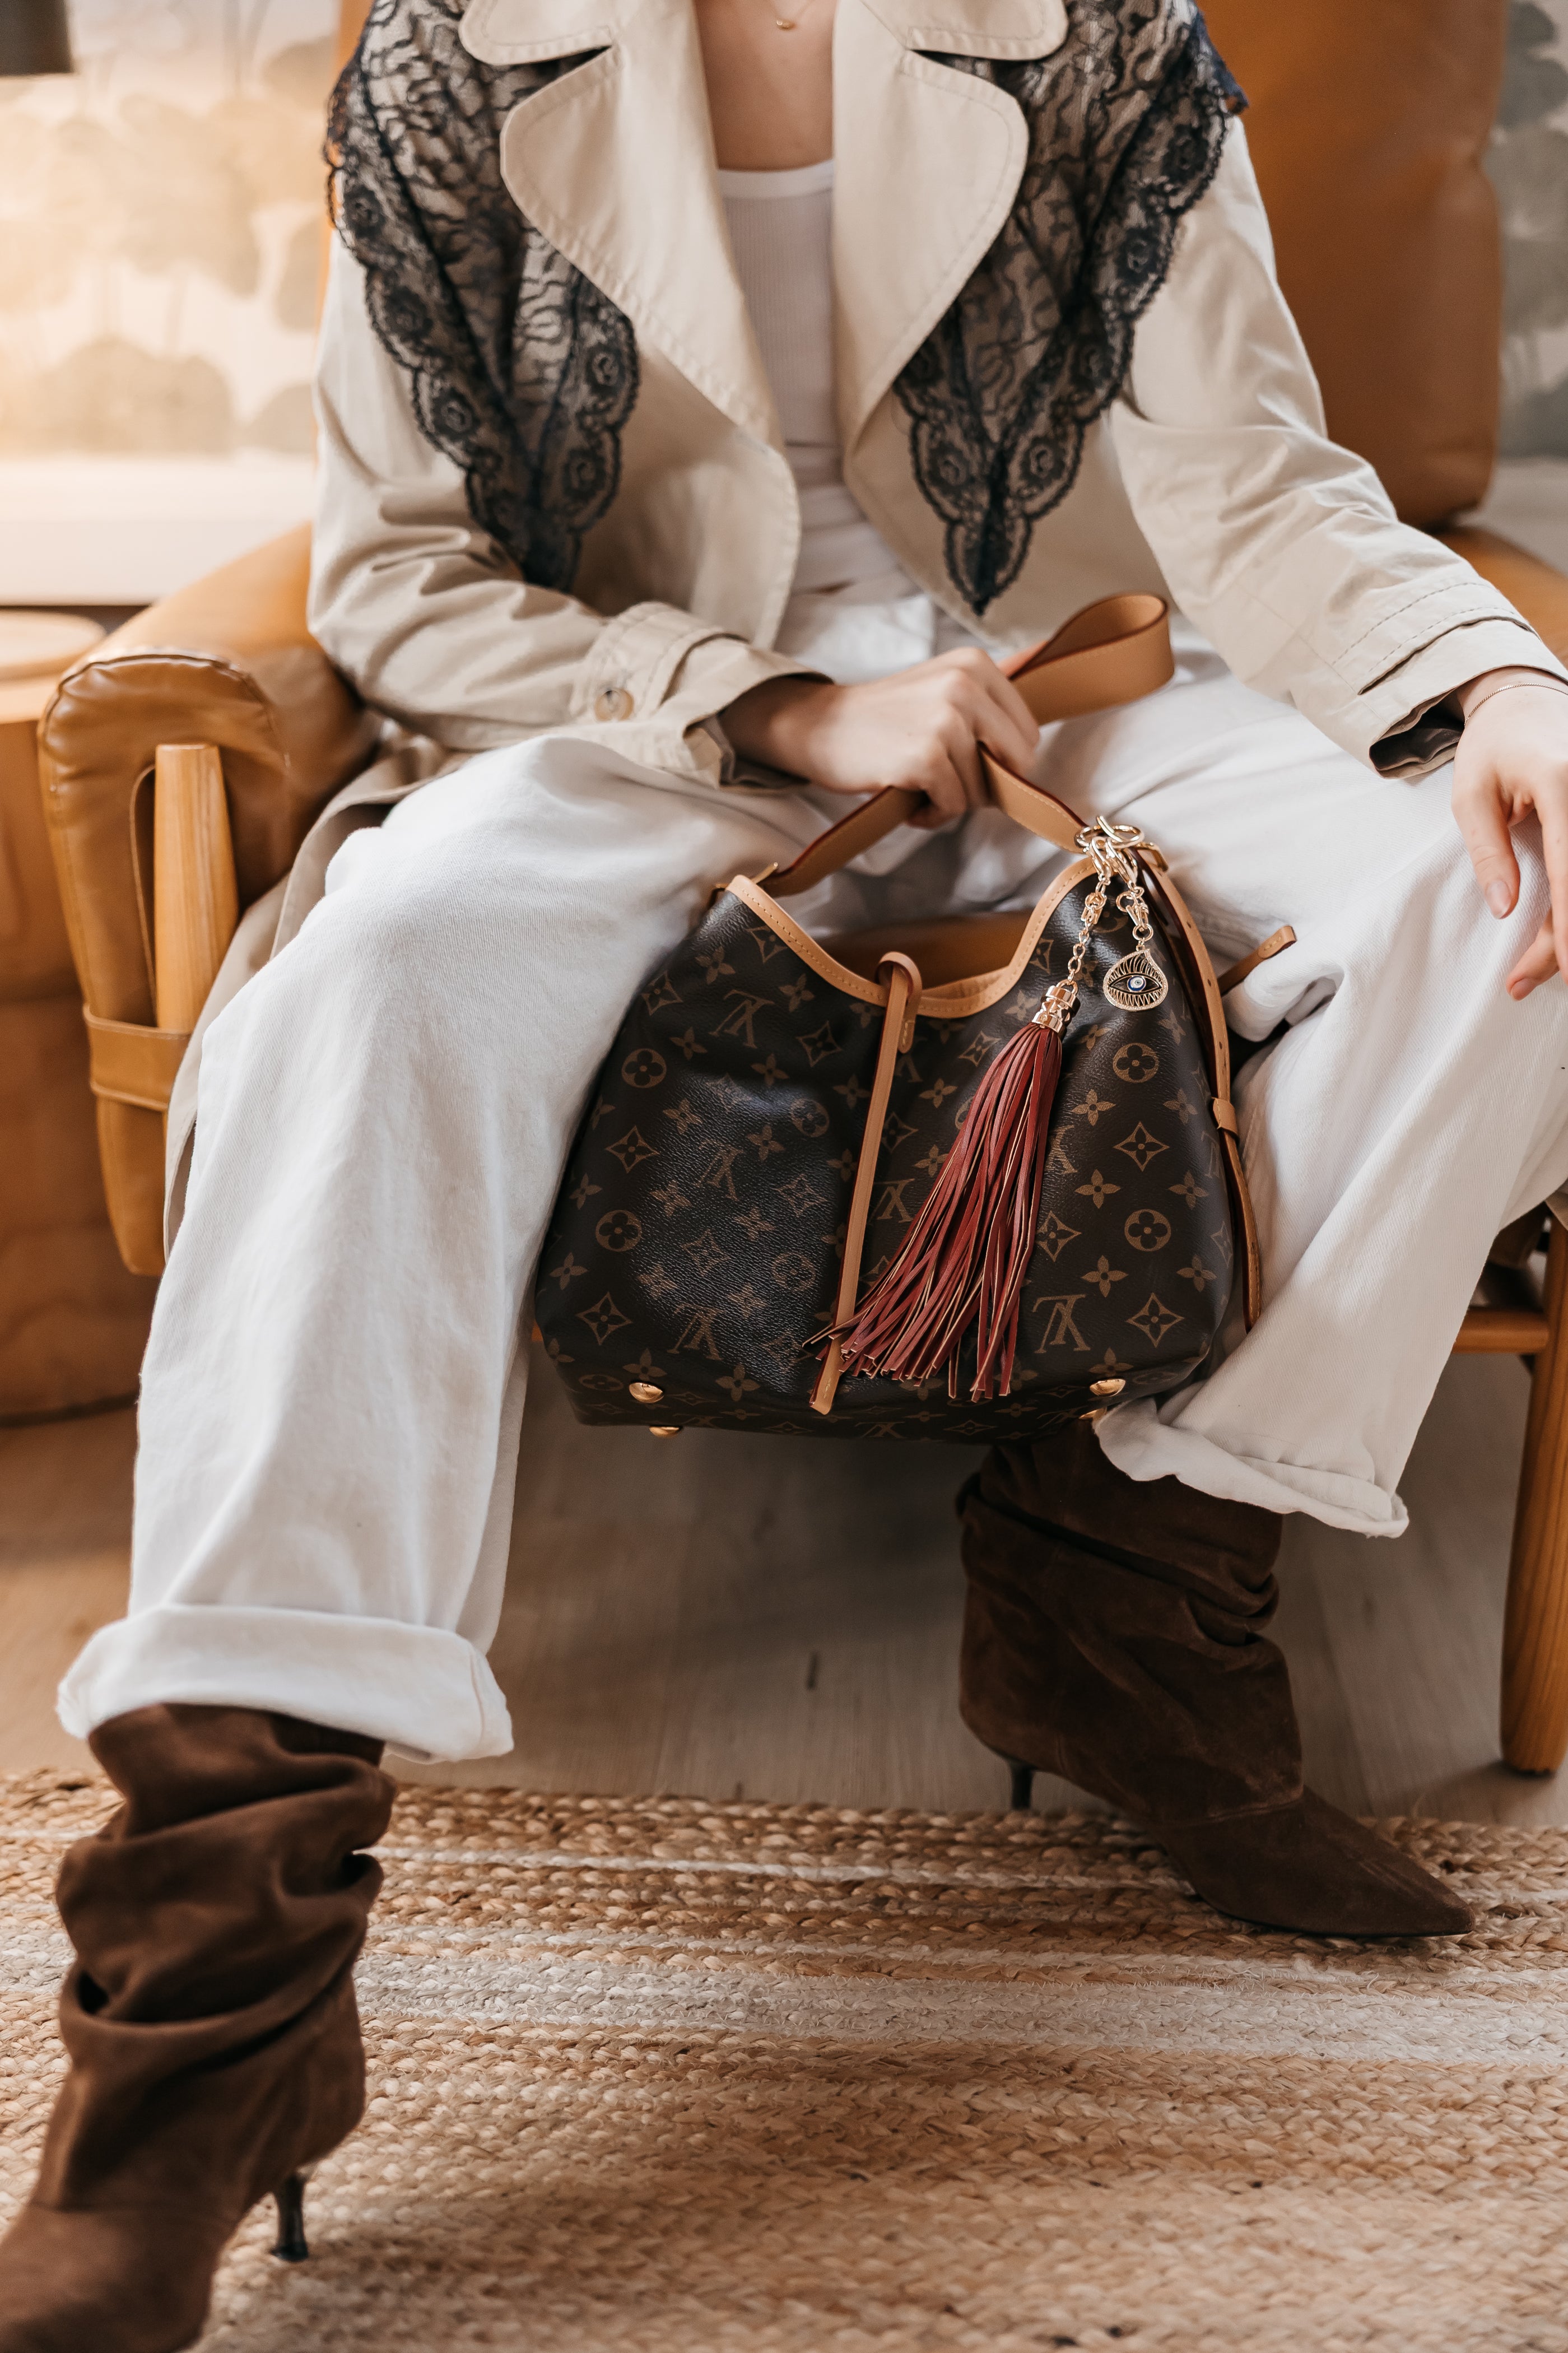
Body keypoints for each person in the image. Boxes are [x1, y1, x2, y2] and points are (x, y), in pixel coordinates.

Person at [6, 0, 1568, 2342]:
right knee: (367, 982)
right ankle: (207, 2020)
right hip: (643, 716)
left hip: (1086, 691)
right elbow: (406, 583)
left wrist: (1494, 692)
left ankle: (1124, 1587)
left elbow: (1248, 477)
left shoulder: (1100, 41)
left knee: (1519, 909)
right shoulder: (454, 64)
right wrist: (771, 706)